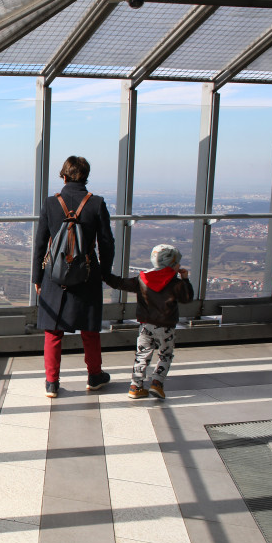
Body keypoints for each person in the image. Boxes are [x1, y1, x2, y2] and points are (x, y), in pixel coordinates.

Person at [32, 156, 115, 398]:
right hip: (87, 273)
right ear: (86, 176)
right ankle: (94, 376)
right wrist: (104, 272)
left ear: (64, 176)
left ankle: (51, 382)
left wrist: (38, 277)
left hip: (55, 275)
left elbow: (40, 244)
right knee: (90, 329)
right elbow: (107, 242)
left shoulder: (50, 203)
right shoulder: (97, 203)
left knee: (53, 331)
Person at [104, 244, 194, 399]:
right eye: (178, 262)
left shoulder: (142, 279)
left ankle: (135, 387)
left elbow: (120, 283)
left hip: (146, 326)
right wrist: (185, 279)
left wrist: (104, 274)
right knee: (165, 354)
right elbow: (187, 298)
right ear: (172, 264)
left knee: (142, 355)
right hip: (167, 327)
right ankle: (157, 384)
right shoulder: (176, 283)